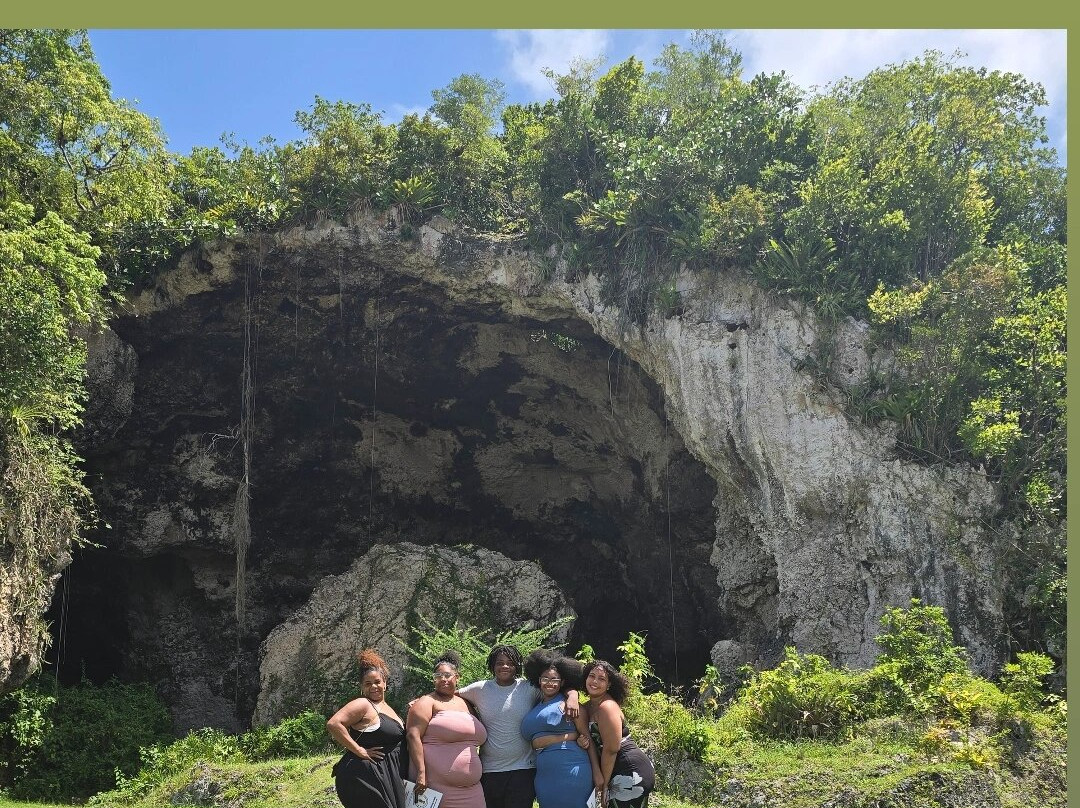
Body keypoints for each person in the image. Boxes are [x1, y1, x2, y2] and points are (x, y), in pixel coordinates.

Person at [457, 646, 582, 808]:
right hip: (490, 770)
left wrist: (573, 695)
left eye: (510, 663)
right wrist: (424, 701)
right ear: (492, 665)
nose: (505, 666)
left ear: (517, 666)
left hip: (524, 769)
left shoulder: (529, 687)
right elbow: (449, 694)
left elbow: (555, 685)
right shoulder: (478, 689)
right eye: (499, 663)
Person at [327, 649, 408, 808]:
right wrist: (359, 750)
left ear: (384, 683)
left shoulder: (386, 707)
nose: (374, 687)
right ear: (362, 687)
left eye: (377, 682)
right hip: (368, 776)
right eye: (368, 684)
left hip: (389, 774)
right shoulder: (363, 704)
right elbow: (334, 724)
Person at [406, 650, 488, 808]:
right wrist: (421, 773)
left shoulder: (467, 703)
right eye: (438, 676)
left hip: (473, 791)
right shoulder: (426, 702)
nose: (443, 679)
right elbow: (412, 736)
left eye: (447, 675)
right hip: (436, 790)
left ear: (457, 677)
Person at [520, 654, 602, 808]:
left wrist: (597, 774)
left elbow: (587, 739)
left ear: (562, 682)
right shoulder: (535, 705)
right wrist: (568, 736)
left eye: (555, 680)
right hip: (544, 777)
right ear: (539, 680)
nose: (549, 683)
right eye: (545, 679)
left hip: (572, 771)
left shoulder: (570, 705)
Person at [582, 660, 654, 808]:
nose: (595, 681)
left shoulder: (607, 707)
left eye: (601, 679)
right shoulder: (588, 706)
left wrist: (605, 786)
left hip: (629, 769)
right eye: (591, 676)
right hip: (617, 769)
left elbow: (611, 749)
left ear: (609, 685)